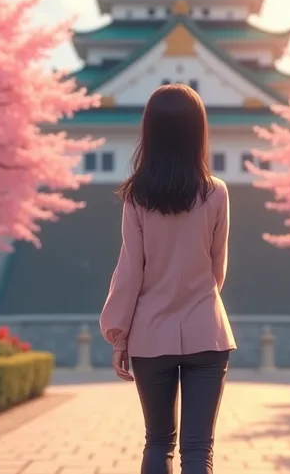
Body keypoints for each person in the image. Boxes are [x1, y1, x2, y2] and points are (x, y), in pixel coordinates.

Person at [99, 83, 236, 474]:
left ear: (151, 132)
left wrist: (118, 335)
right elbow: (217, 268)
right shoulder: (217, 193)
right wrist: (196, 304)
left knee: (158, 442)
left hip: (149, 335)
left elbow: (129, 271)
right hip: (207, 332)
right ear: (198, 131)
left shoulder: (136, 197)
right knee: (199, 449)